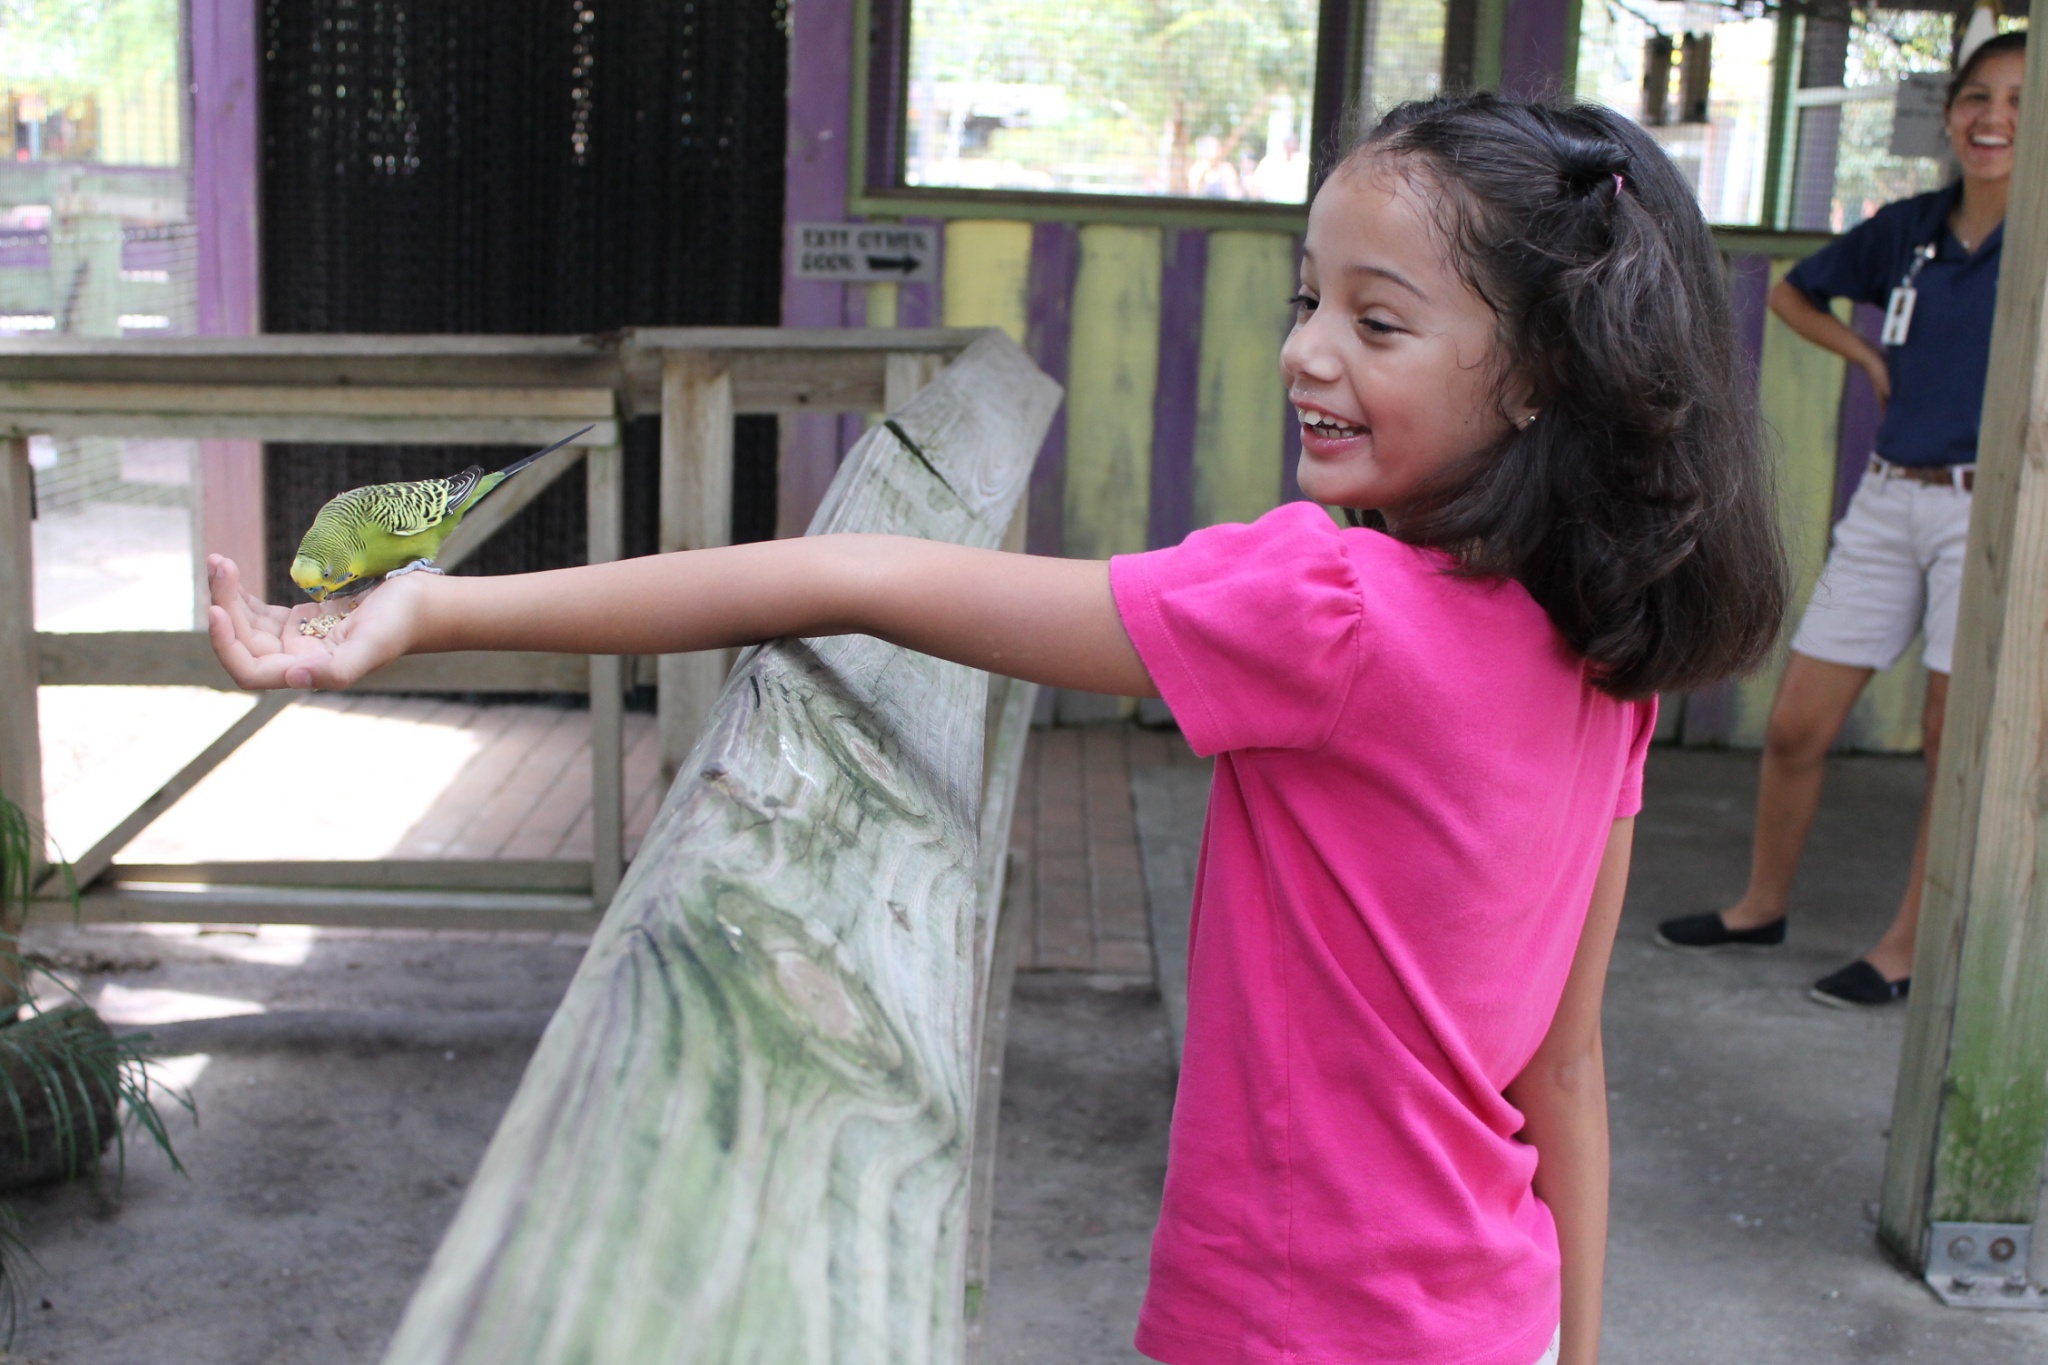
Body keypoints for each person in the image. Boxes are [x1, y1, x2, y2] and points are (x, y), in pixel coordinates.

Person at [204, 94, 1783, 1365]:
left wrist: (440, 611)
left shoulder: (1330, 604)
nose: (1306, 351)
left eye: (1379, 323)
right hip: (1492, 1310)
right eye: (1308, 299)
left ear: (1538, 378)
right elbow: (1563, 1066)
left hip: (1298, 1321)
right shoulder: (1604, 648)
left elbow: (863, 576)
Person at [1655, 32, 2025, 1009]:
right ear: (1948, 112)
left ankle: (1906, 944)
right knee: (1793, 723)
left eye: (2019, 102)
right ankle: (1757, 906)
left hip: (1990, 511)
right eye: (1975, 97)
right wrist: (1866, 361)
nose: (1990, 119)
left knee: (1949, 737)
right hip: (1890, 493)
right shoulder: (1908, 228)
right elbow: (1792, 292)